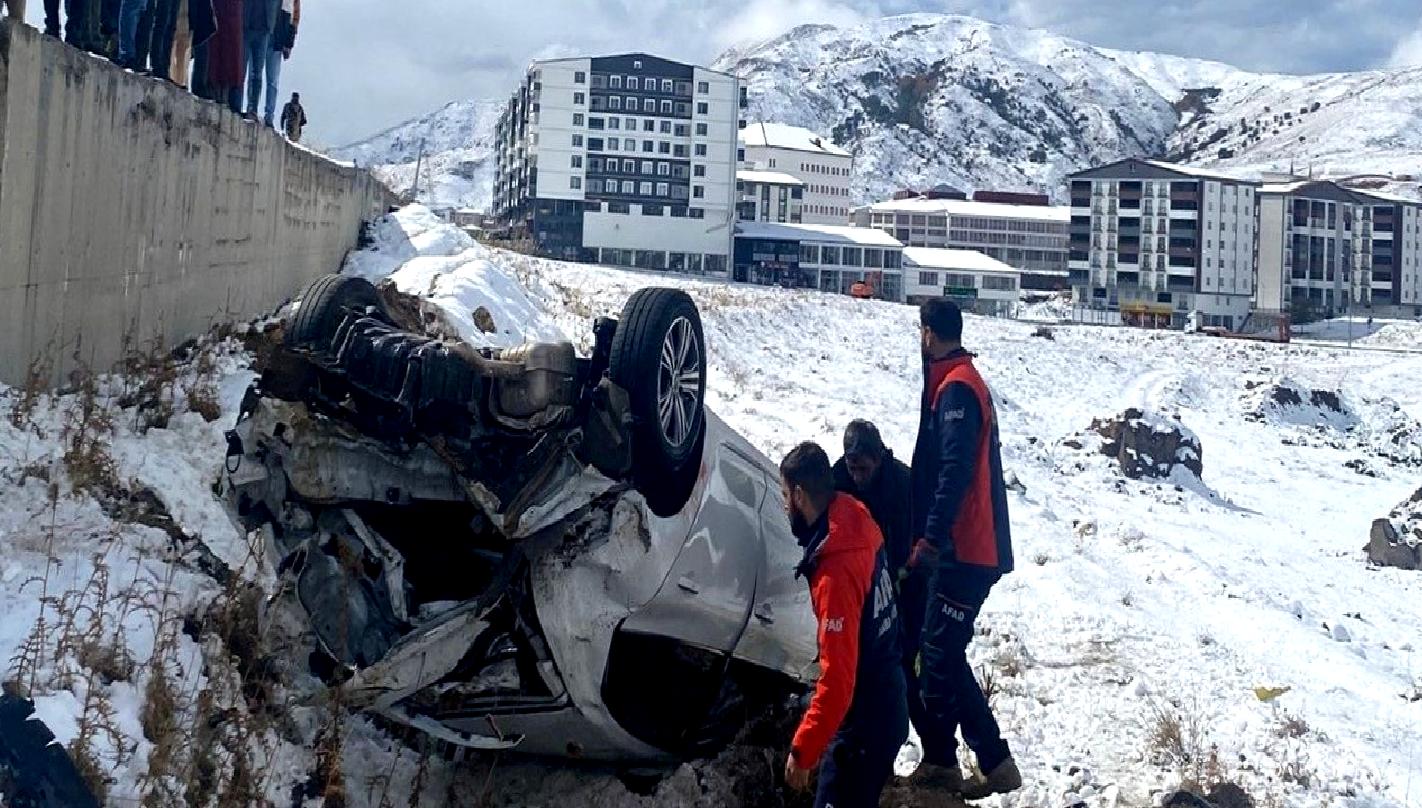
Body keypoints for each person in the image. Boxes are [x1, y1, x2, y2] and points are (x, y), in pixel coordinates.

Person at [906, 298, 1020, 800]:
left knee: (935, 655)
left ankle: (946, 763)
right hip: (967, 546)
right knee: (943, 653)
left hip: (966, 548)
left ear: (929, 333)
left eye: (921, 332)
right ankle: (990, 762)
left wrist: (931, 539)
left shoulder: (956, 391)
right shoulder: (958, 382)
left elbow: (952, 474)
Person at [780, 442, 907, 808]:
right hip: (887, 700)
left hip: (865, 724)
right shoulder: (856, 519)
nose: (784, 503)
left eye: (785, 494)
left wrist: (803, 750)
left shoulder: (835, 571)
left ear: (800, 495)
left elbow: (838, 683)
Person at [831, 420, 928, 742]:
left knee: (905, 664)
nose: (857, 474)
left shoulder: (902, 484)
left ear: (880, 458)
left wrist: (896, 578)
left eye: (863, 467)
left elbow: (907, 544)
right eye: (852, 465)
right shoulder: (839, 478)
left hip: (907, 582)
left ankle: (933, 748)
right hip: (862, 584)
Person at [263, 0, 296, 126]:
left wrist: (289, 43)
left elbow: (295, 16)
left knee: (272, 80)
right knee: (255, 74)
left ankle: (269, 116)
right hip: (262, 29)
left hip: (278, 37)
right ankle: (252, 109)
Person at [241, 0, 276, 119]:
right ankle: (237, 104)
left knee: (257, 73)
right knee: (241, 68)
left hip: (264, 29)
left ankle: (253, 109)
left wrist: (272, 23)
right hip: (247, 25)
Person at [207, 0, 243, 113]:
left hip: (232, 15)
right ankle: (215, 91)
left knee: (231, 56)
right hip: (218, 12)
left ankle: (227, 96)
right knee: (215, 53)